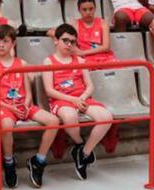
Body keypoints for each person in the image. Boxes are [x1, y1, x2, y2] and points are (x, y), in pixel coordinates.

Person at [0, 24, 60, 188]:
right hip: (3, 106)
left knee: (53, 121)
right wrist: (11, 108)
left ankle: (38, 161)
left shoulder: (22, 63)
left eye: (5, 41)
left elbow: (28, 91)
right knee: (6, 125)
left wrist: (26, 103)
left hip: (22, 105)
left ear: (13, 43)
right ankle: (9, 162)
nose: (1, 45)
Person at [42, 24, 112, 180]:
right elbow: (49, 90)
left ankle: (84, 153)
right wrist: (73, 100)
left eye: (72, 42)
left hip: (82, 98)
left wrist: (82, 98)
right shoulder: (49, 61)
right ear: (56, 41)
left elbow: (90, 85)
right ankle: (80, 144)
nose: (69, 45)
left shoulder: (80, 59)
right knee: (70, 117)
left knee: (106, 117)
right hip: (61, 99)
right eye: (65, 40)